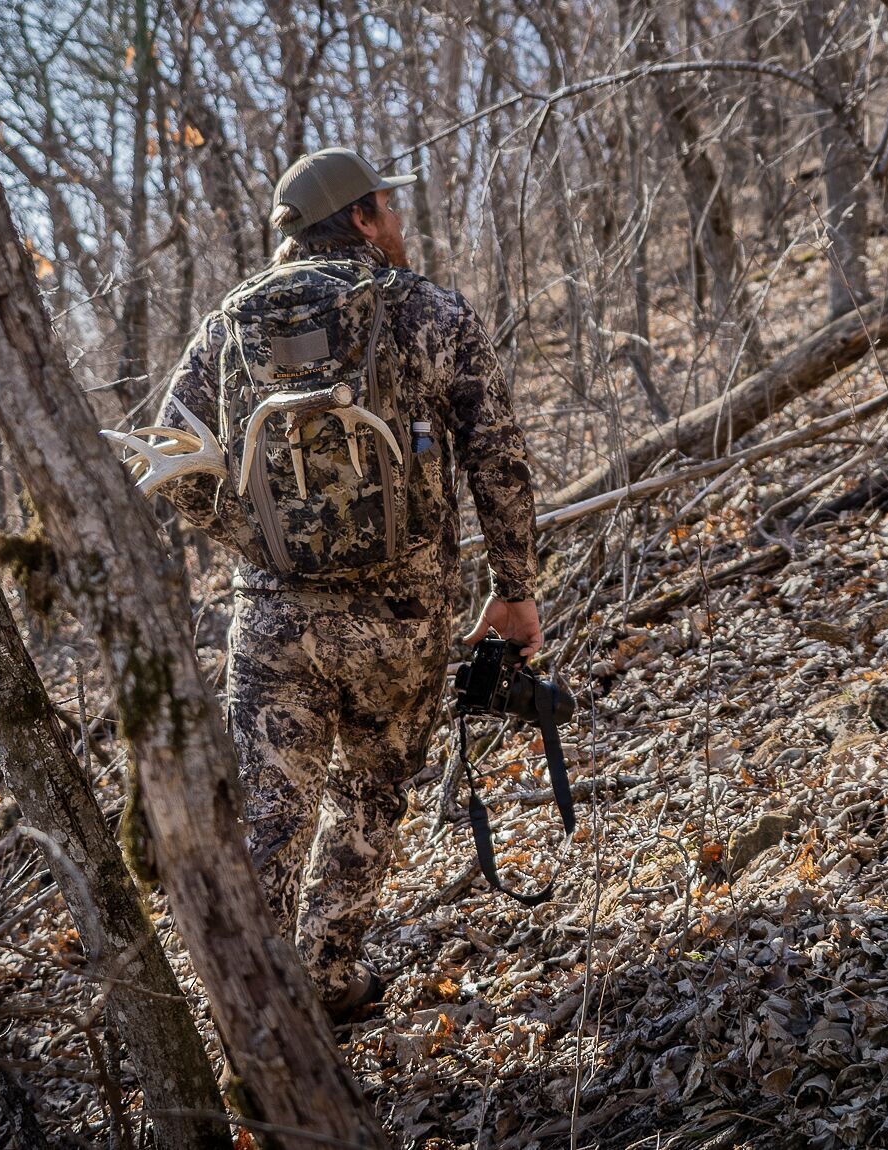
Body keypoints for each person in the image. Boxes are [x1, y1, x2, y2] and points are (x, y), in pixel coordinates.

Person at [149, 147, 541, 1022]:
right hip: (402, 619)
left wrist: (252, 540)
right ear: (360, 219)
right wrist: (514, 587)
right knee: (367, 797)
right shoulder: (427, 311)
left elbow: (170, 464)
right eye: (387, 207)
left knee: (266, 820)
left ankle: (250, 1018)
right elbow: (499, 456)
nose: (398, 221)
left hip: (272, 622)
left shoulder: (226, 328)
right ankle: (327, 978)